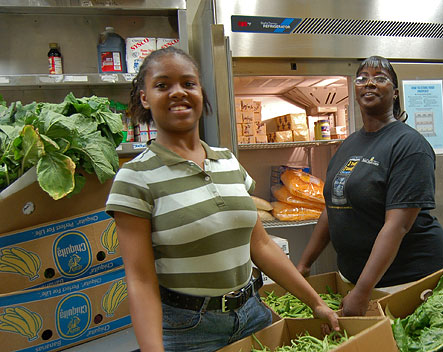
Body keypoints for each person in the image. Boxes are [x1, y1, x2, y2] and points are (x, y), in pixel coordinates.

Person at [105, 47, 339, 352]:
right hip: (189, 329)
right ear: (145, 97)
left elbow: (261, 245)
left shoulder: (228, 162)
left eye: (188, 84)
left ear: (201, 92)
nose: (178, 92)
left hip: (253, 315)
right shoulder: (135, 177)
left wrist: (315, 302)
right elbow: (140, 280)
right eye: (163, 85)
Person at [296, 55, 443, 316]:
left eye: (380, 79)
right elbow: (332, 207)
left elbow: (397, 225)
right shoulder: (349, 145)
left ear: (395, 92)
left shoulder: (409, 146)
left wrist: (362, 291)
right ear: (354, 90)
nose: (369, 84)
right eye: (362, 79)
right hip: (356, 279)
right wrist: (304, 266)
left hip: (403, 280)